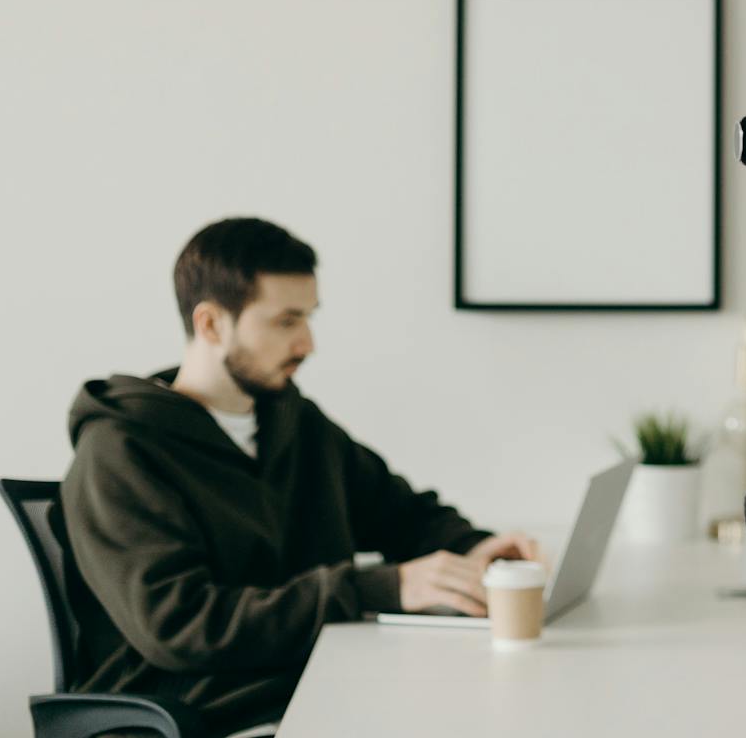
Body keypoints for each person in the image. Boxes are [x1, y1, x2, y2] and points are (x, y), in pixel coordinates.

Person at [61, 218, 538, 733]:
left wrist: (477, 551)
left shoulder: (293, 422)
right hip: (206, 710)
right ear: (211, 325)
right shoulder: (121, 450)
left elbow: (400, 514)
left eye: (308, 318)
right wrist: (377, 588)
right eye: (286, 321)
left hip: (311, 682)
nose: (307, 343)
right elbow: (180, 626)